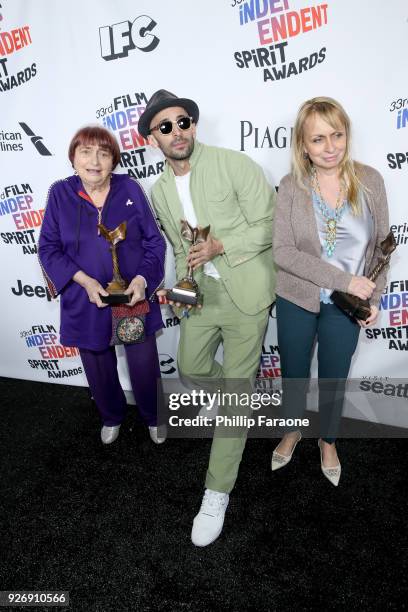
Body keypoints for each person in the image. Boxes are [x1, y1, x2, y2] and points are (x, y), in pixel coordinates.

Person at [138, 90, 276, 546]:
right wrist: (179, 290)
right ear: (152, 139)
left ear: (193, 126)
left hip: (246, 290)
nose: (176, 132)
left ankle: (216, 493)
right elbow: (180, 249)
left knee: (233, 399)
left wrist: (221, 244)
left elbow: (269, 222)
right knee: (193, 367)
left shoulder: (232, 164)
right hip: (201, 294)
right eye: (165, 127)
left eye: (183, 122)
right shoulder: (158, 191)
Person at [271, 97, 390, 485]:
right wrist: (343, 280)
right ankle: (292, 430)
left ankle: (329, 439)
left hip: (348, 306)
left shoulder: (370, 181)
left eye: (337, 135)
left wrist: (372, 297)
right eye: (318, 139)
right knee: (294, 374)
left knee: (335, 376)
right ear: (303, 145)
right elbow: (283, 252)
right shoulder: (291, 186)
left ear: (346, 135)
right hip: (298, 297)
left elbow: (382, 248)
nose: (330, 146)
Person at [38, 126, 166, 445]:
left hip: (131, 295)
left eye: (103, 153)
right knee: (97, 366)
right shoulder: (59, 193)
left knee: (143, 363)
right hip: (85, 298)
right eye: (85, 152)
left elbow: (154, 242)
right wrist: (83, 280)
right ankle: (111, 416)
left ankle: (153, 416)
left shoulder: (130, 189)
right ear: (73, 159)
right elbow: (48, 248)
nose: (94, 160)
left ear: (113, 161)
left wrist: (142, 280)